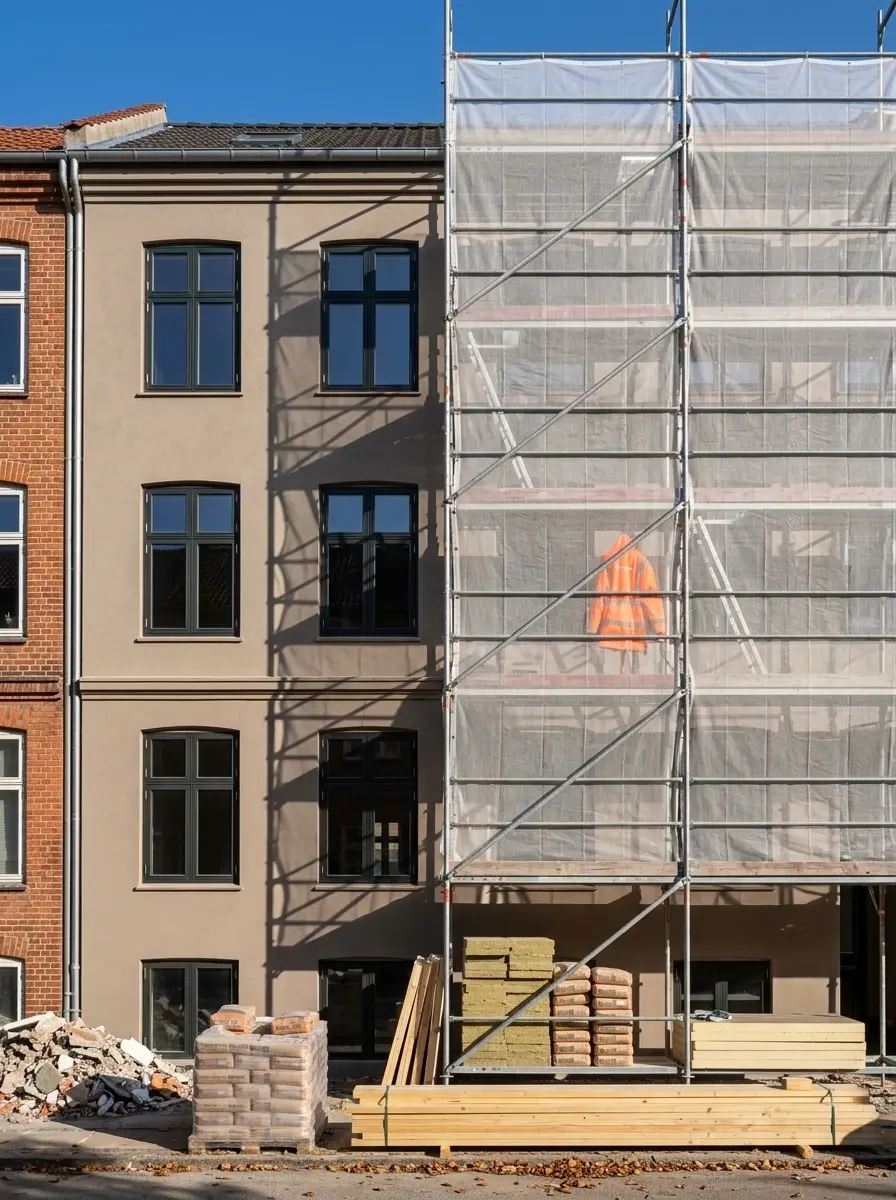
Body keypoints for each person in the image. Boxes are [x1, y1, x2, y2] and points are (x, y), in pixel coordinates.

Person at [587, 533, 665, 674]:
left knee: (610, 678)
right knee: (635, 676)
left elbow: (599, 597)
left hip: (610, 632)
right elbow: (652, 597)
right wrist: (660, 630)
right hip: (634, 629)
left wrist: (592, 630)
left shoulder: (607, 561)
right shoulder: (641, 561)